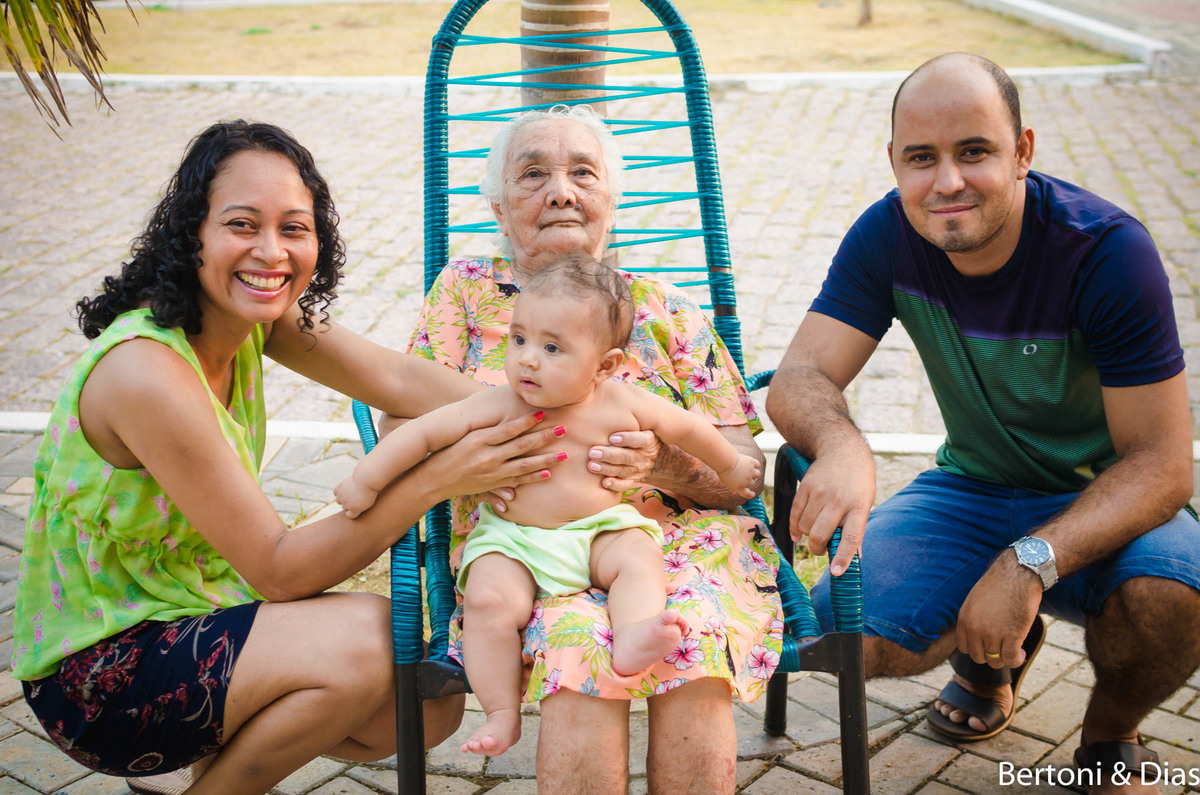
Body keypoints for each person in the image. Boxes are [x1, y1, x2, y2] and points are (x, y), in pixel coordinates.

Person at [12, 120, 571, 795]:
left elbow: (396, 379)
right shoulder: (146, 373)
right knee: (369, 639)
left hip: (195, 614)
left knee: (426, 706)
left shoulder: (256, 317)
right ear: (191, 232)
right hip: (99, 676)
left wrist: (560, 423)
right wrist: (438, 477)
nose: (271, 251)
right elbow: (279, 571)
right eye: (242, 225)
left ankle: (199, 769)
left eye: (294, 228)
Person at [765, 52, 1200, 794]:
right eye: (921, 157)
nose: (947, 182)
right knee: (839, 630)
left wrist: (1028, 561)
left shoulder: (1106, 251)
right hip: (972, 488)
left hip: (1104, 499)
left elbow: (1162, 466)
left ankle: (1109, 733)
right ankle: (990, 660)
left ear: (1022, 151)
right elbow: (800, 375)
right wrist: (843, 446)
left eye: (974, 151)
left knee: (1173, 602)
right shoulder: (887, 234)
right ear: (894, 161)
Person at [392, 104, 782, 793]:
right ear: (499, 207)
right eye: (533, 174)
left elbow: (743, 474)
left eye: (582, 173)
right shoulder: (466, 293)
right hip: (521, 550)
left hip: (674, 544)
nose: (561, 192)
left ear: (611, 201)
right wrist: (473, 464)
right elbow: (401, 431)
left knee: (687, 629)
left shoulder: (665, 309)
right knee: (575, 644)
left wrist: (666, 465)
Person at [339, 253, 762, 756]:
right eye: (518, 339)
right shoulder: (496, 403)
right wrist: (366, 479)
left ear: (604, 366)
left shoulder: (623, 401)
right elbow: (422, 435)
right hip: (512, 539)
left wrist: (732, 466)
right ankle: (501, 711)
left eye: (552, 347)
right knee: (487, 604)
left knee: (638, 557)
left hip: (600, 528)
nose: (527, 359)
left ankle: (633, 635)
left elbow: (691, 430)